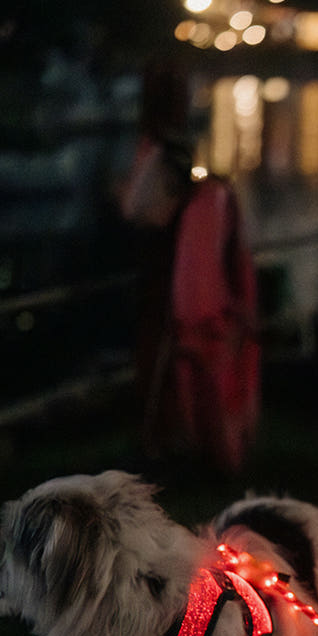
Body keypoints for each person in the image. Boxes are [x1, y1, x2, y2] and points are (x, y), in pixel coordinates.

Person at [119, 128, 260, 475]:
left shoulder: (205, 203)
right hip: (205, 313)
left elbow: (198, 268)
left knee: (207, 387)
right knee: (210, 387)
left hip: (201, 316)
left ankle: (212, 455)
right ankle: (213, 454)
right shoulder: (212, 199)